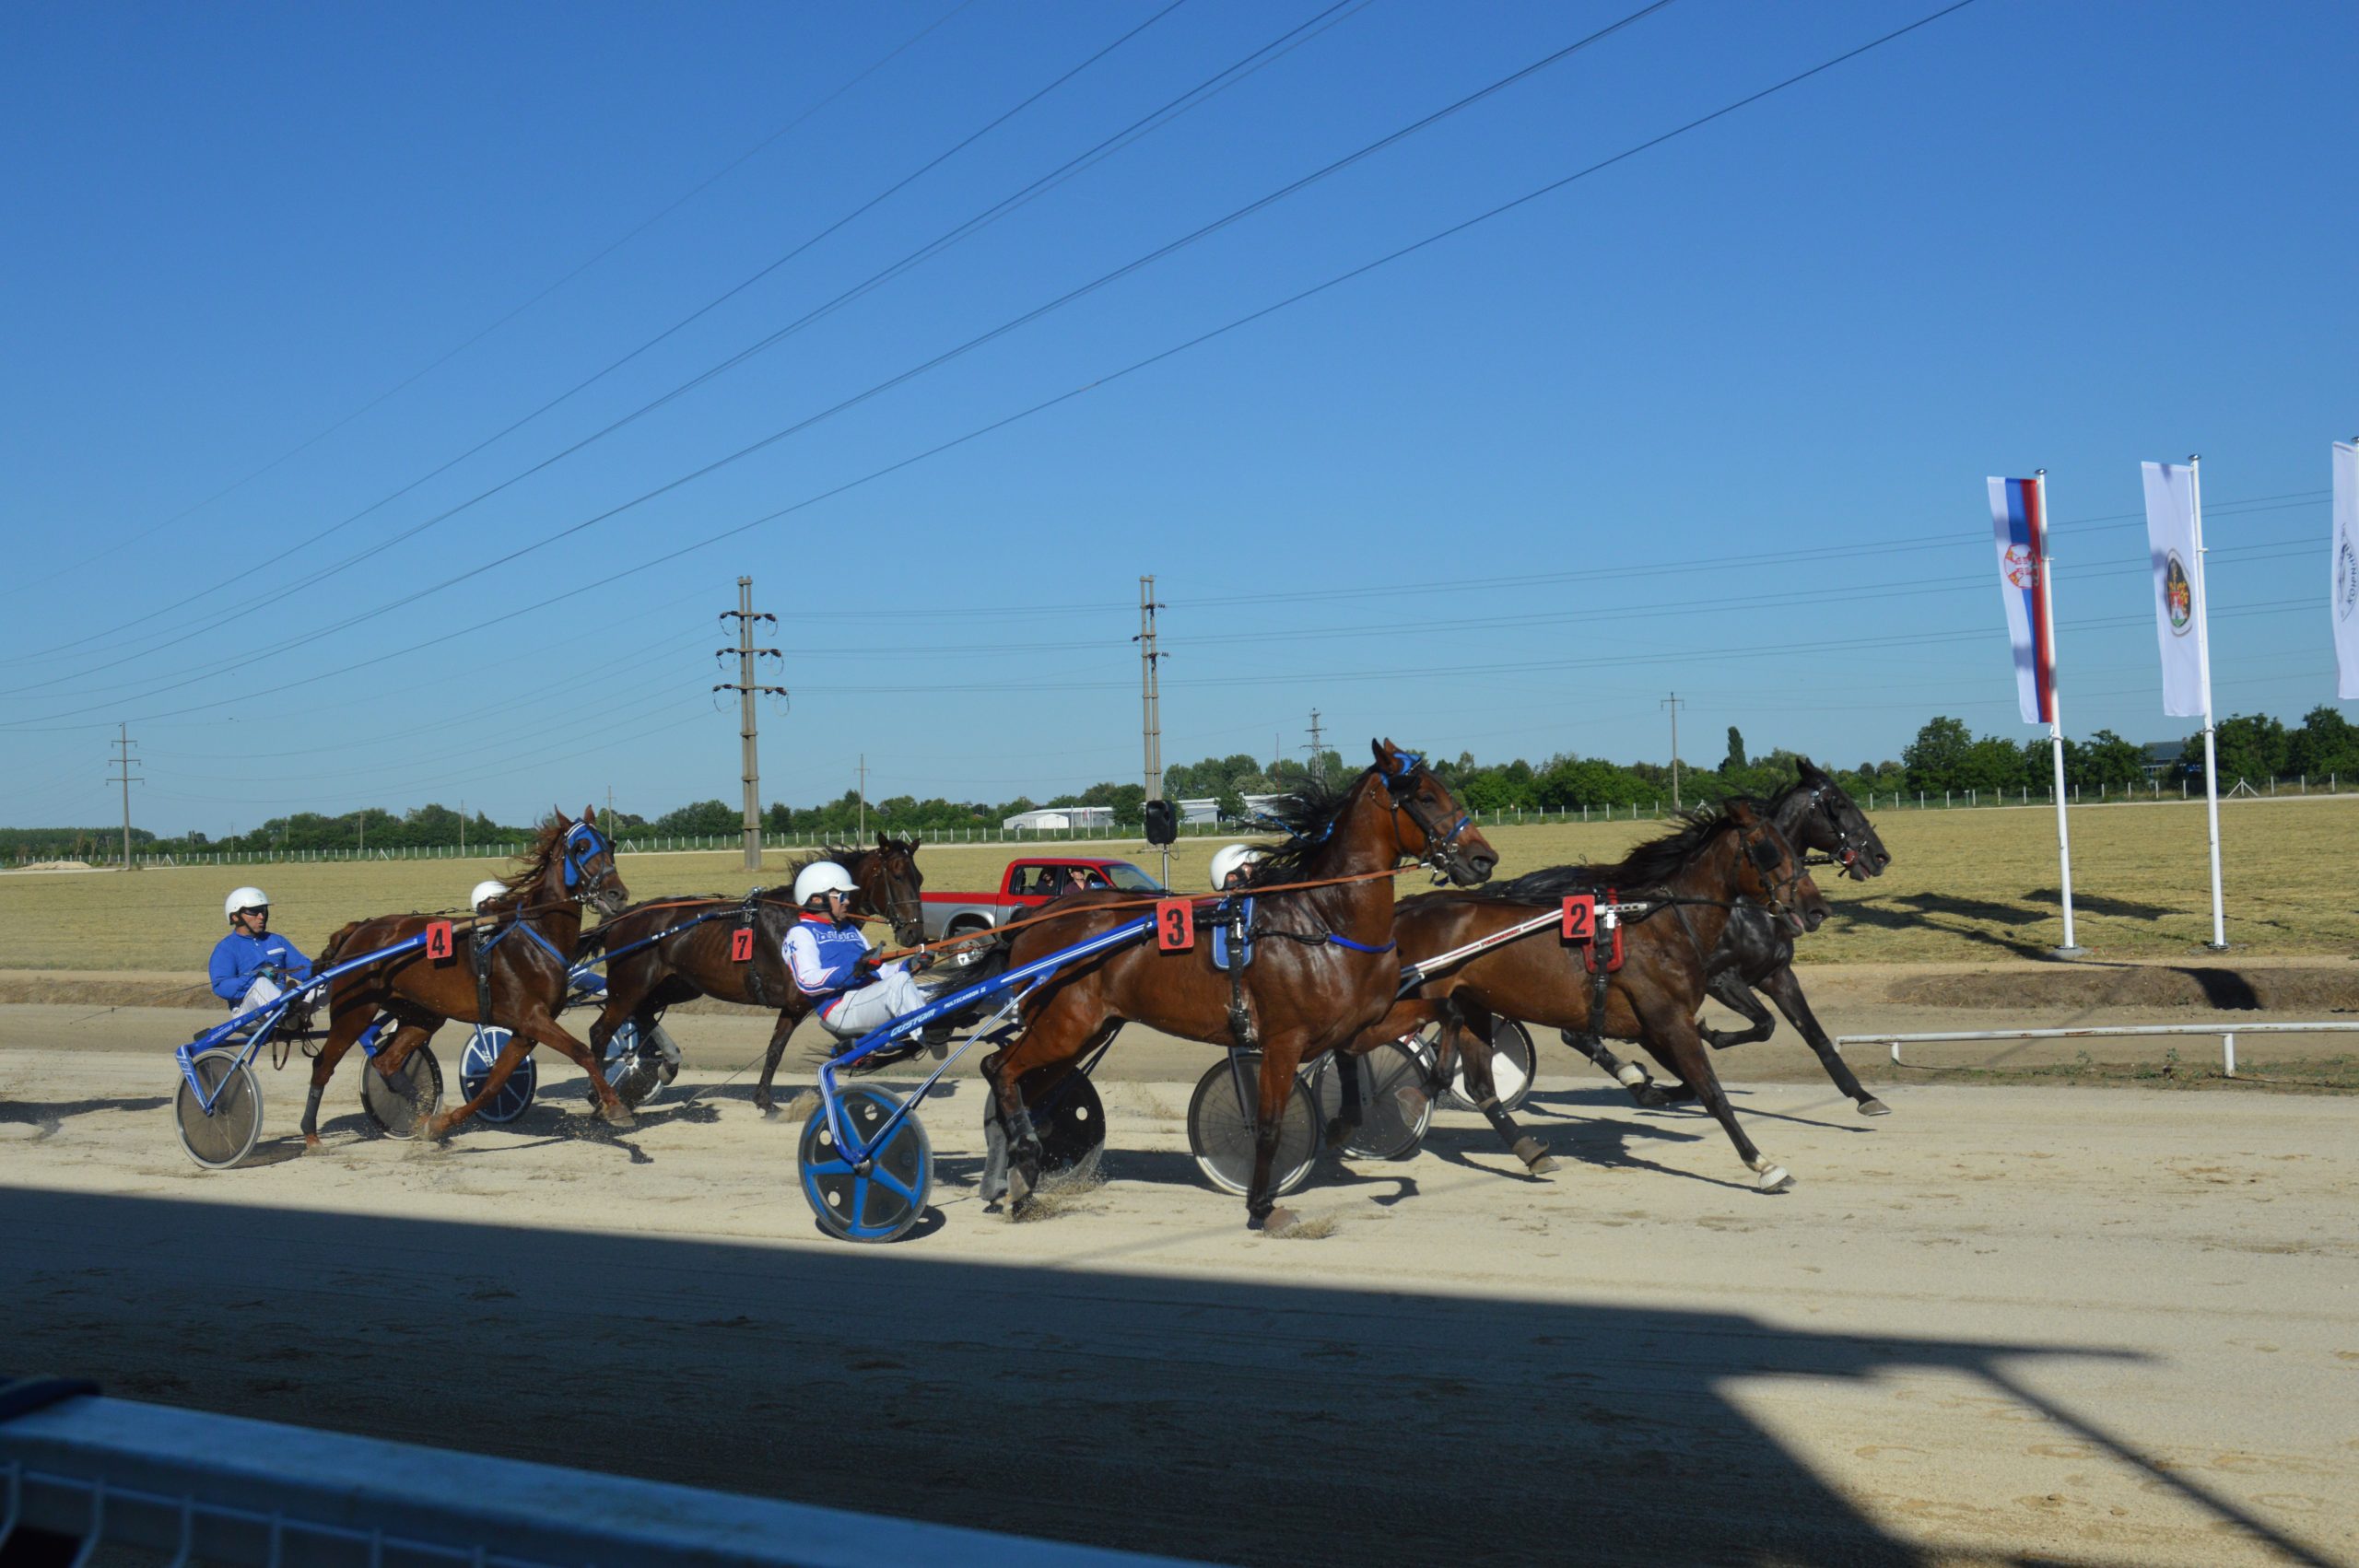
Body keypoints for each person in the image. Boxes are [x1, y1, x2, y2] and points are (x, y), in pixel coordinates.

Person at [783, 860, 940, 1041]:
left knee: (939, 989)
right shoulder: (800, 933)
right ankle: (926, 1035)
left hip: (870, 998)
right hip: (841, 1008)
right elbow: (806, 981)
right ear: (816, 899)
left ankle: (957, 1022)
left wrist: (912, 964)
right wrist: (854, 969)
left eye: (847, 895)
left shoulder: (850, 930)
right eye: (840, 896)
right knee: (900, 984)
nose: (847, 901)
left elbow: (883, 973)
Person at [208, 886, 312, 1014]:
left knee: (329, 981)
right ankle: (288, 1010)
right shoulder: (225, 948)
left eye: (264, 911)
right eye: (254, 912)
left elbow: (302, 968)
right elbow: (221, 987)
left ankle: (290, 1011)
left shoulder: (277, 940)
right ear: (235, 917)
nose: (261, 916)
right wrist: (256, 977)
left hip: (283, 1000)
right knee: (261, 983)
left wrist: (325, 968)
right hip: (247, 1012)